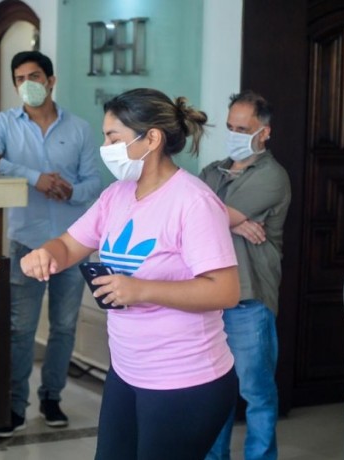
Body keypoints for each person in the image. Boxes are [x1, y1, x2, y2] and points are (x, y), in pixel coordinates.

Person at [20, 88, 241, 459]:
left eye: (113, 137)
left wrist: (141, 290)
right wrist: (45, 254)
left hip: (185, 379)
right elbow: (70, 245)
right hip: (127, 371)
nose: (105, 147)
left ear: (151, 138)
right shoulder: (116, 195)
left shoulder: (193, 202)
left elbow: (225, 290)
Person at [0, 50, 103, 437]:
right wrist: (35, 177)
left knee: (64, 327)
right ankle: (14, 406)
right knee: (20, 328)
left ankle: (52, 398)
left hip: (72, 242)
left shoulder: (79, 128)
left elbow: (95, 182)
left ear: (51, 80)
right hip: (26, 242)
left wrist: (72, 192)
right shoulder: (3, 123)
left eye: (34, 76)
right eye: (19, 79)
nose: (27, 84)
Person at [200, 91, 291, 460]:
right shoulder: (212, 171)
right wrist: (236, 224)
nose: (234, 134)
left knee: (256, 392)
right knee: (215, 391)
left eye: (243, 129)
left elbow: (201, 216)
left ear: (264, 132)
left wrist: (218, 218)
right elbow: (188, 219)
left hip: (249, 299)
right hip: (208, 296)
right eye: (230, 127)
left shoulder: (272, 176)